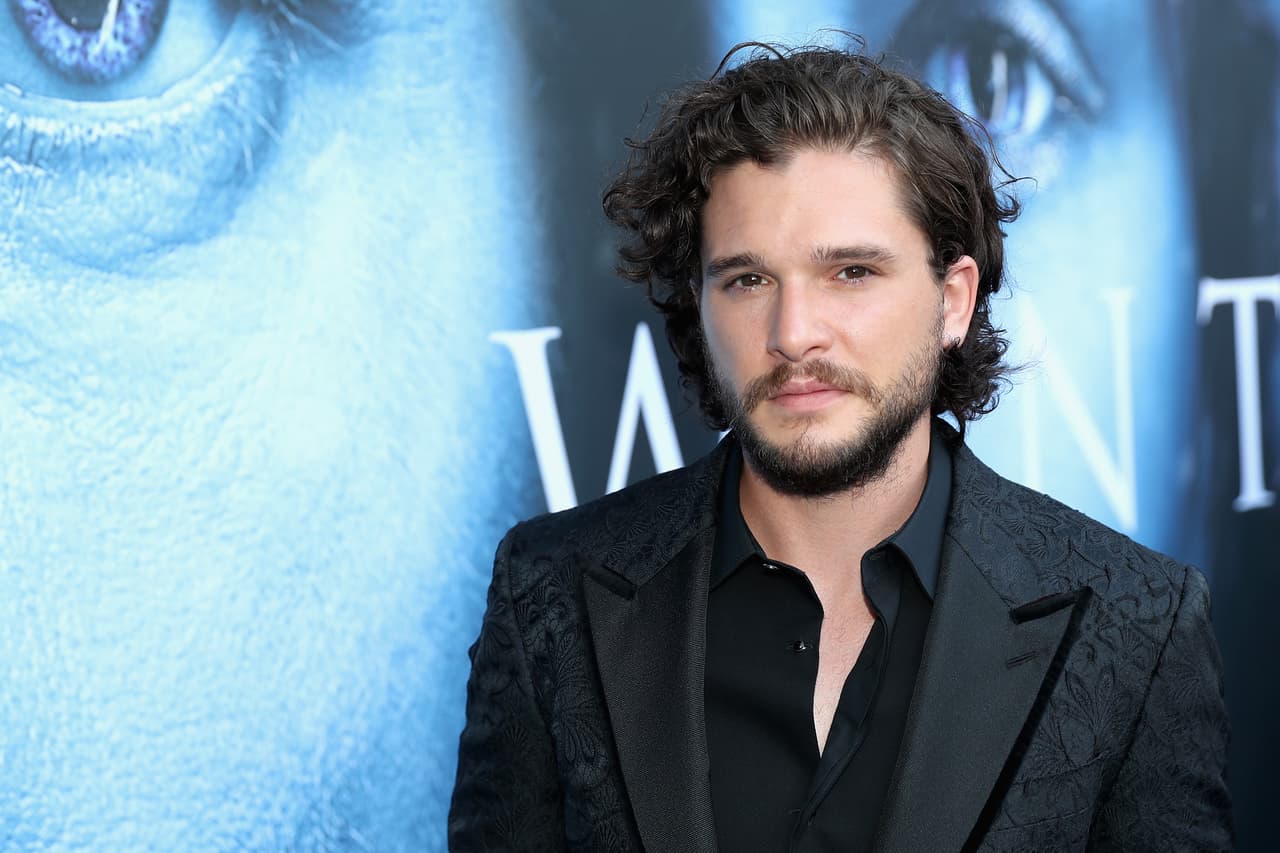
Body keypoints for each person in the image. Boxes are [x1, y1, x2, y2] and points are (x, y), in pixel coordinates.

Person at [449, 42, 1230, 852]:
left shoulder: (1135, 625)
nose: (793, 334)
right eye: (748, 279)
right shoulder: (551, 593)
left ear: (953, 301)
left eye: (851, 272)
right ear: (701, 306)